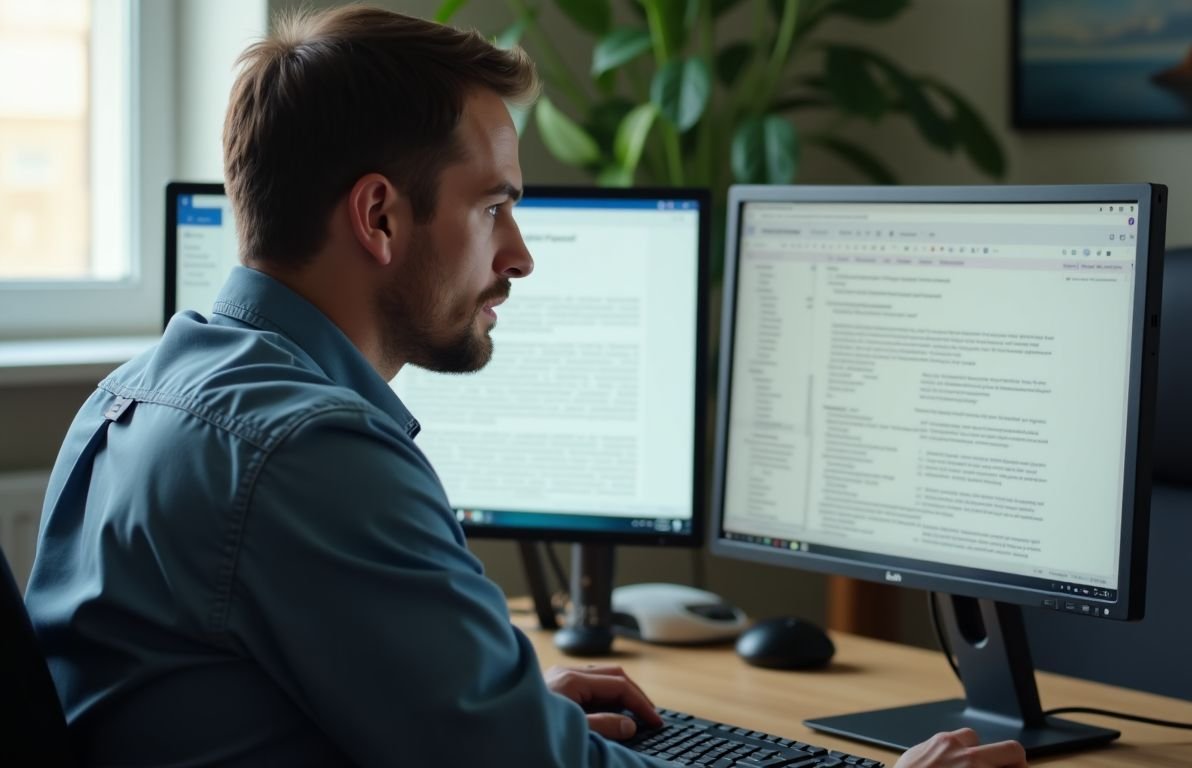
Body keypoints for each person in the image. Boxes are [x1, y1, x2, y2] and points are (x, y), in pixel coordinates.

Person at [25, 6, 1028, 768]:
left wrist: (488, 694)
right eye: (494, 205)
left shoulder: (135, 395)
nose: (520, 255)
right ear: (379, 217)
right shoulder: (308, 452)